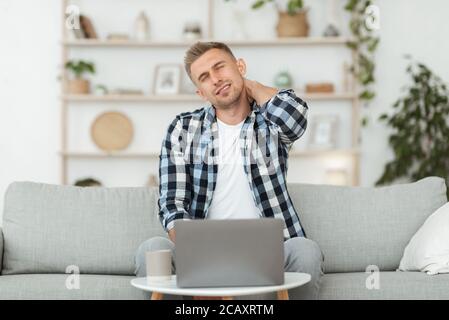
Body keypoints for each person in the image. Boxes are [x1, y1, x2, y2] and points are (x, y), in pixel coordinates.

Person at [135, 41, 324, 300]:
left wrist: (251, 86)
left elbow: (295, 118)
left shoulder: (270, 124)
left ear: (240, 66)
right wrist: (196, 252)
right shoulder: (183, 128)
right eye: (204, 77)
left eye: (219, 67)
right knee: (152, 247)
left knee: (306, 250)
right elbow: (172, 203)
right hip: (201, 254)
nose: (215, 79)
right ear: (201, 92)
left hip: (268, 254)